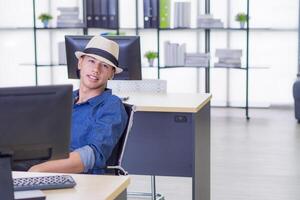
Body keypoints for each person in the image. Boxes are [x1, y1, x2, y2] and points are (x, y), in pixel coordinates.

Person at [28, 35, 128, 174]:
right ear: (80, 63)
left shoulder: (111, 105)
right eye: (91, 61)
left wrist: (38, 169)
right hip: (46, 167)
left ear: (112, 74)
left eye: (104, 65)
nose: (96, 69)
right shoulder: (64, 99)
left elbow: (92, 155)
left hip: (81, 180)